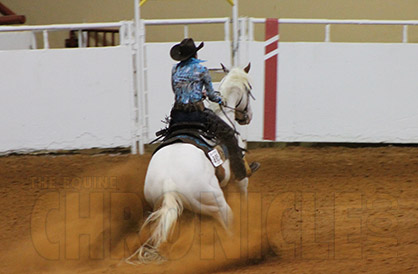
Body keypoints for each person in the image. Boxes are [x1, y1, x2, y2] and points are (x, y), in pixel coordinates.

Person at [168, 38, 260, 180]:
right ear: (195, 55)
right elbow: (211, 95)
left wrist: (195, 92)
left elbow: (176, 90)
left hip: (177, 116)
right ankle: (241, 172)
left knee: (168, 136)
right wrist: (219, 99)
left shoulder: (175, 69)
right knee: (229, 135)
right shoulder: (201, 69)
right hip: (197, 115)